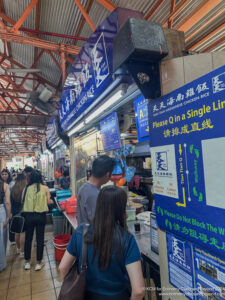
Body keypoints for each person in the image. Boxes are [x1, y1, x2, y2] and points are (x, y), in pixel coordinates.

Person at [59, 186, 145, 299]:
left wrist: (75, 288)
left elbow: (63, 268)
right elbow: (138, 290)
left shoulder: (80, 232)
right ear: (121, 209)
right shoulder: (127, 239)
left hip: (86, 295)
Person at [22, 170, 53, 271]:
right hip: (40, 216)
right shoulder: (45, 188)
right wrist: (50, 201)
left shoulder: (26, 188)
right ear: (40, 178)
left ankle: (27, 262)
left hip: (28, 217)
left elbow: (22, 200)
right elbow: (48, 202)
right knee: (40, 239)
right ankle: (38, 263)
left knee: (28, 239)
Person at [76, 155, 115, 225]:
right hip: (92, 235)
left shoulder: (84, 187)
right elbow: (99, 222)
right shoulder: (93, 194)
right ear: (107, 174)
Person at [10, 173, 27, 257]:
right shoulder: (25, 188)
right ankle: (22, 252)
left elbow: (10, 202)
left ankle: (18, 248)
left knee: (17, 232)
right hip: (23, 212)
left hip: (14, 212)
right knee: (23, 232)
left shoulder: (13, 188)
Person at [0, 177, 10, 271]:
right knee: (2, 239)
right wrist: (7, 217)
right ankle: (1, 264)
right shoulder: (4, 185)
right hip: (1, 212)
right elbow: (7, 202)